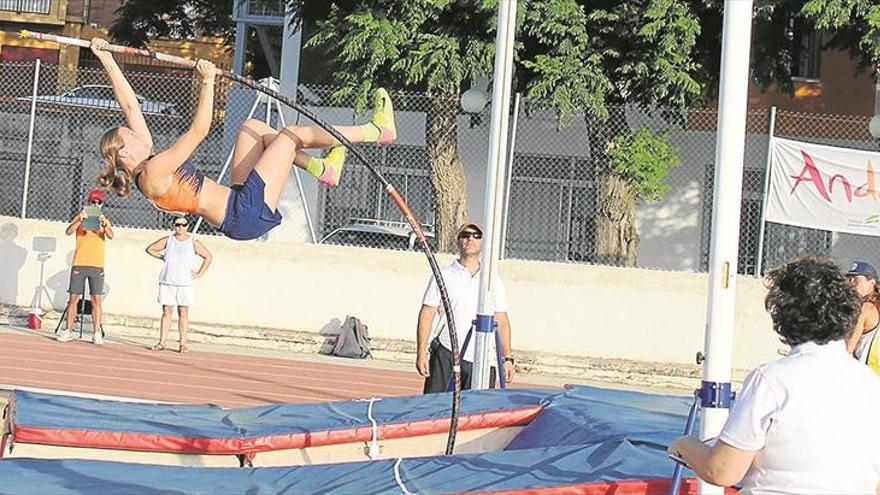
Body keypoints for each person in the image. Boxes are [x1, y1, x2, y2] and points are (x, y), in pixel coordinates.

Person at [89, 37, 396, 241]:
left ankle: (322, 169)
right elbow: (199, 131)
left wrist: (106, 57)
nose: (136, 131)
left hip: (237, 200)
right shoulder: (152, 174)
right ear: (124, 154)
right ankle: (376, 132)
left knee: (253, 128)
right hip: (243, 214)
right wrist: (207, 81)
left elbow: (130, 104)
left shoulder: (146, 162)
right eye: (130, 134)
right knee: (288, 137)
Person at [668, 257, 880, 493]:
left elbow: (722, 470)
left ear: (782, 316)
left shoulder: (771, 380)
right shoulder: (871, 384)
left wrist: (685, 445)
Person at [416, 223, 515, 393]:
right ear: (458, 241)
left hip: (482, 358)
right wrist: (421, 352)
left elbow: (501, 320)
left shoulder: (492, 280)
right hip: (447, 352)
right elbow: (427, 313)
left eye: (476, 235)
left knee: (474, 415)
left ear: (482, 241)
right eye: (465, 235)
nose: (470, 239)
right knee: (436, 410)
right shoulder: (444, 275)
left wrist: (507, 358)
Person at [145, 217, 213, 353]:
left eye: (183, 225)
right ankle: (162, 342)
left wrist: (199, 273)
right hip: (168, 281)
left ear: (187, 226)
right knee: (167, 311)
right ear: (173, 226)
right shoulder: (168, 240)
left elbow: (208, 256)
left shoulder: (193, 242)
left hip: (184, 283)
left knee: (183, 312)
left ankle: (182, 344)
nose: (180, 227)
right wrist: (162, 257)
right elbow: (150, 249)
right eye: (177, 224)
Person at [57, 189, 113, 345]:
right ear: (89, 202)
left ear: (102, 204)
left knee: (96, 299)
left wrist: (103, 223)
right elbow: (68, 231)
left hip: (97, 264)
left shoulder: (104, 219)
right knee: (73, 298)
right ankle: (68, 330)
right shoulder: (81, 217)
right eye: (93, 202)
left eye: (98, 202)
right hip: (79, 263)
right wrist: (79, 220)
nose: (96, 204)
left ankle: (96, 333)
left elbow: (110, 235)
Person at [845, 260, 880, 375]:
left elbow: (847, 350)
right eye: (849, 279)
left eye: (856, 279)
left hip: (869, 376)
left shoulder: (865, 309)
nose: (851, 283)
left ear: (872, 282)